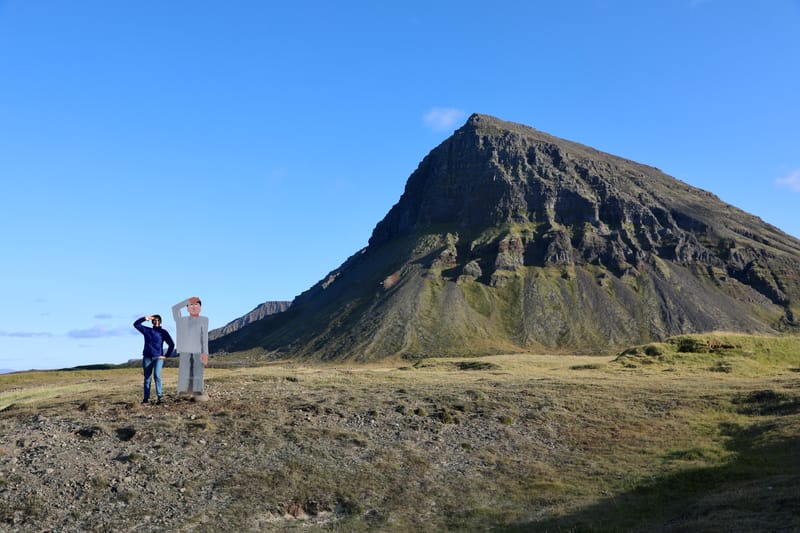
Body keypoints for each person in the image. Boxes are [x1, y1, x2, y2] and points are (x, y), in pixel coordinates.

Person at [172, 296, 209, 401]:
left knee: (198, 371)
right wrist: (187, 301)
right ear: (187, 308)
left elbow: (204, 337)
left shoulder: (204, 320)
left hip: (198, 350)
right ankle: (183, 392)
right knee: (184, 371)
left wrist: (205, 353)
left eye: (196, 305)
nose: (193, 307)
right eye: (191, 305)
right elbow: (175, 308)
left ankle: (198, 391)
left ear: (200, 307)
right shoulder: (181, 320)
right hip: (184, 349)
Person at [133, 315, 175, 404]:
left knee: (157, 375)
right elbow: (136, 324)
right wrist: (145, 318)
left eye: (158, 320)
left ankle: (160, 397)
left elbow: (171, 344)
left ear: (160, 321)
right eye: (154, 320)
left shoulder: (163, 332)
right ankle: (146, 398)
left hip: (158, 357)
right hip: (147, 357)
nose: (156, 322)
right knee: (147, 378)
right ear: (152, 321)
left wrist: (166, 355)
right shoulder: (147, 330)